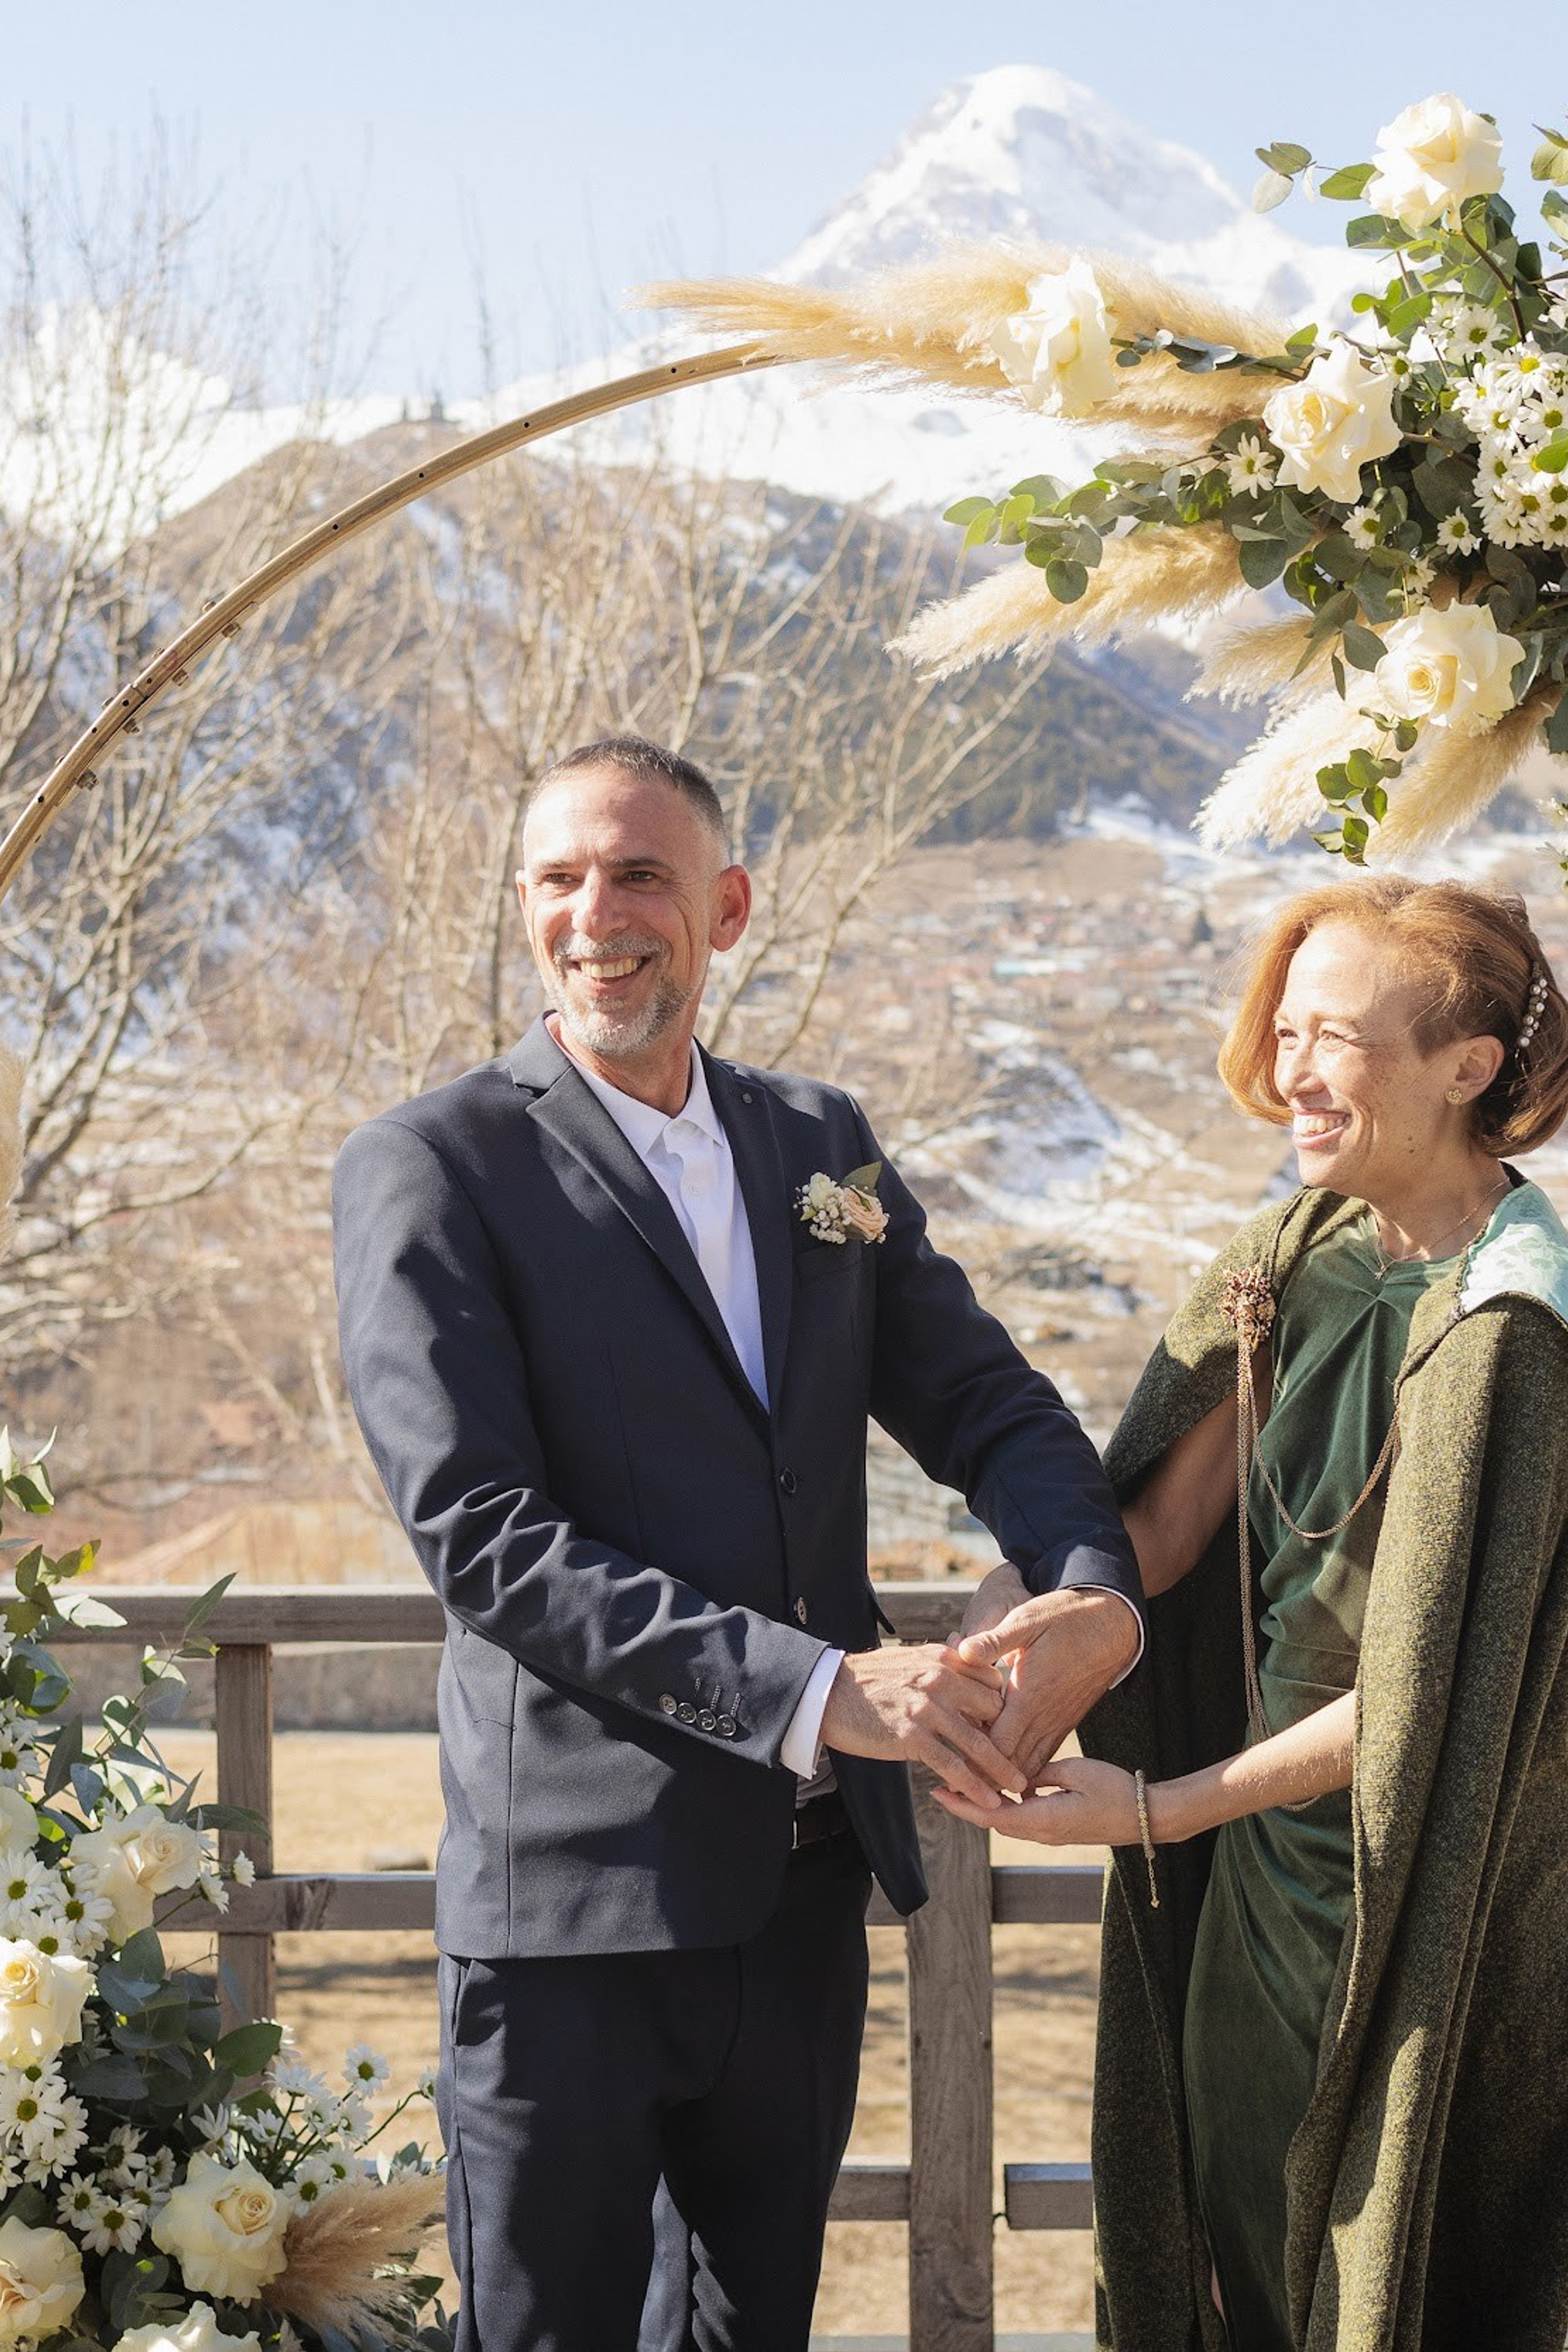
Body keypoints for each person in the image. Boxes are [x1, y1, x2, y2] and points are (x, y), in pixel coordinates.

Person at [331, 734, 1144, 2352]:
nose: (597, 914)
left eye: (640, 874)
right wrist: (825, 1691)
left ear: (729, 905)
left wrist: (1093, 1589)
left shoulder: (816, 1142)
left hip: (803, 1897)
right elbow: (481, 1539)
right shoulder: (431, 1169)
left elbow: (984, 1400)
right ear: (524, 912)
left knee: (748, 2329)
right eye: (558, 879)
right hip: (570, 1915)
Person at [940, 876, 1568, 2352]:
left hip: (1440, 1881)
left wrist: (1154, 1810)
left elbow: (1435, 1705)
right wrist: (1013, 1610)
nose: (1288, 1070)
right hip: (1265, 1873)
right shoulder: (1288, 1263)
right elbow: (1154, 1533)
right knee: (1238, 2259)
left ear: (1464, 1066)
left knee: (1398, 2274)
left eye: (1333, 1034)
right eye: (1283, 1029)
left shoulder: (1512, 1337)